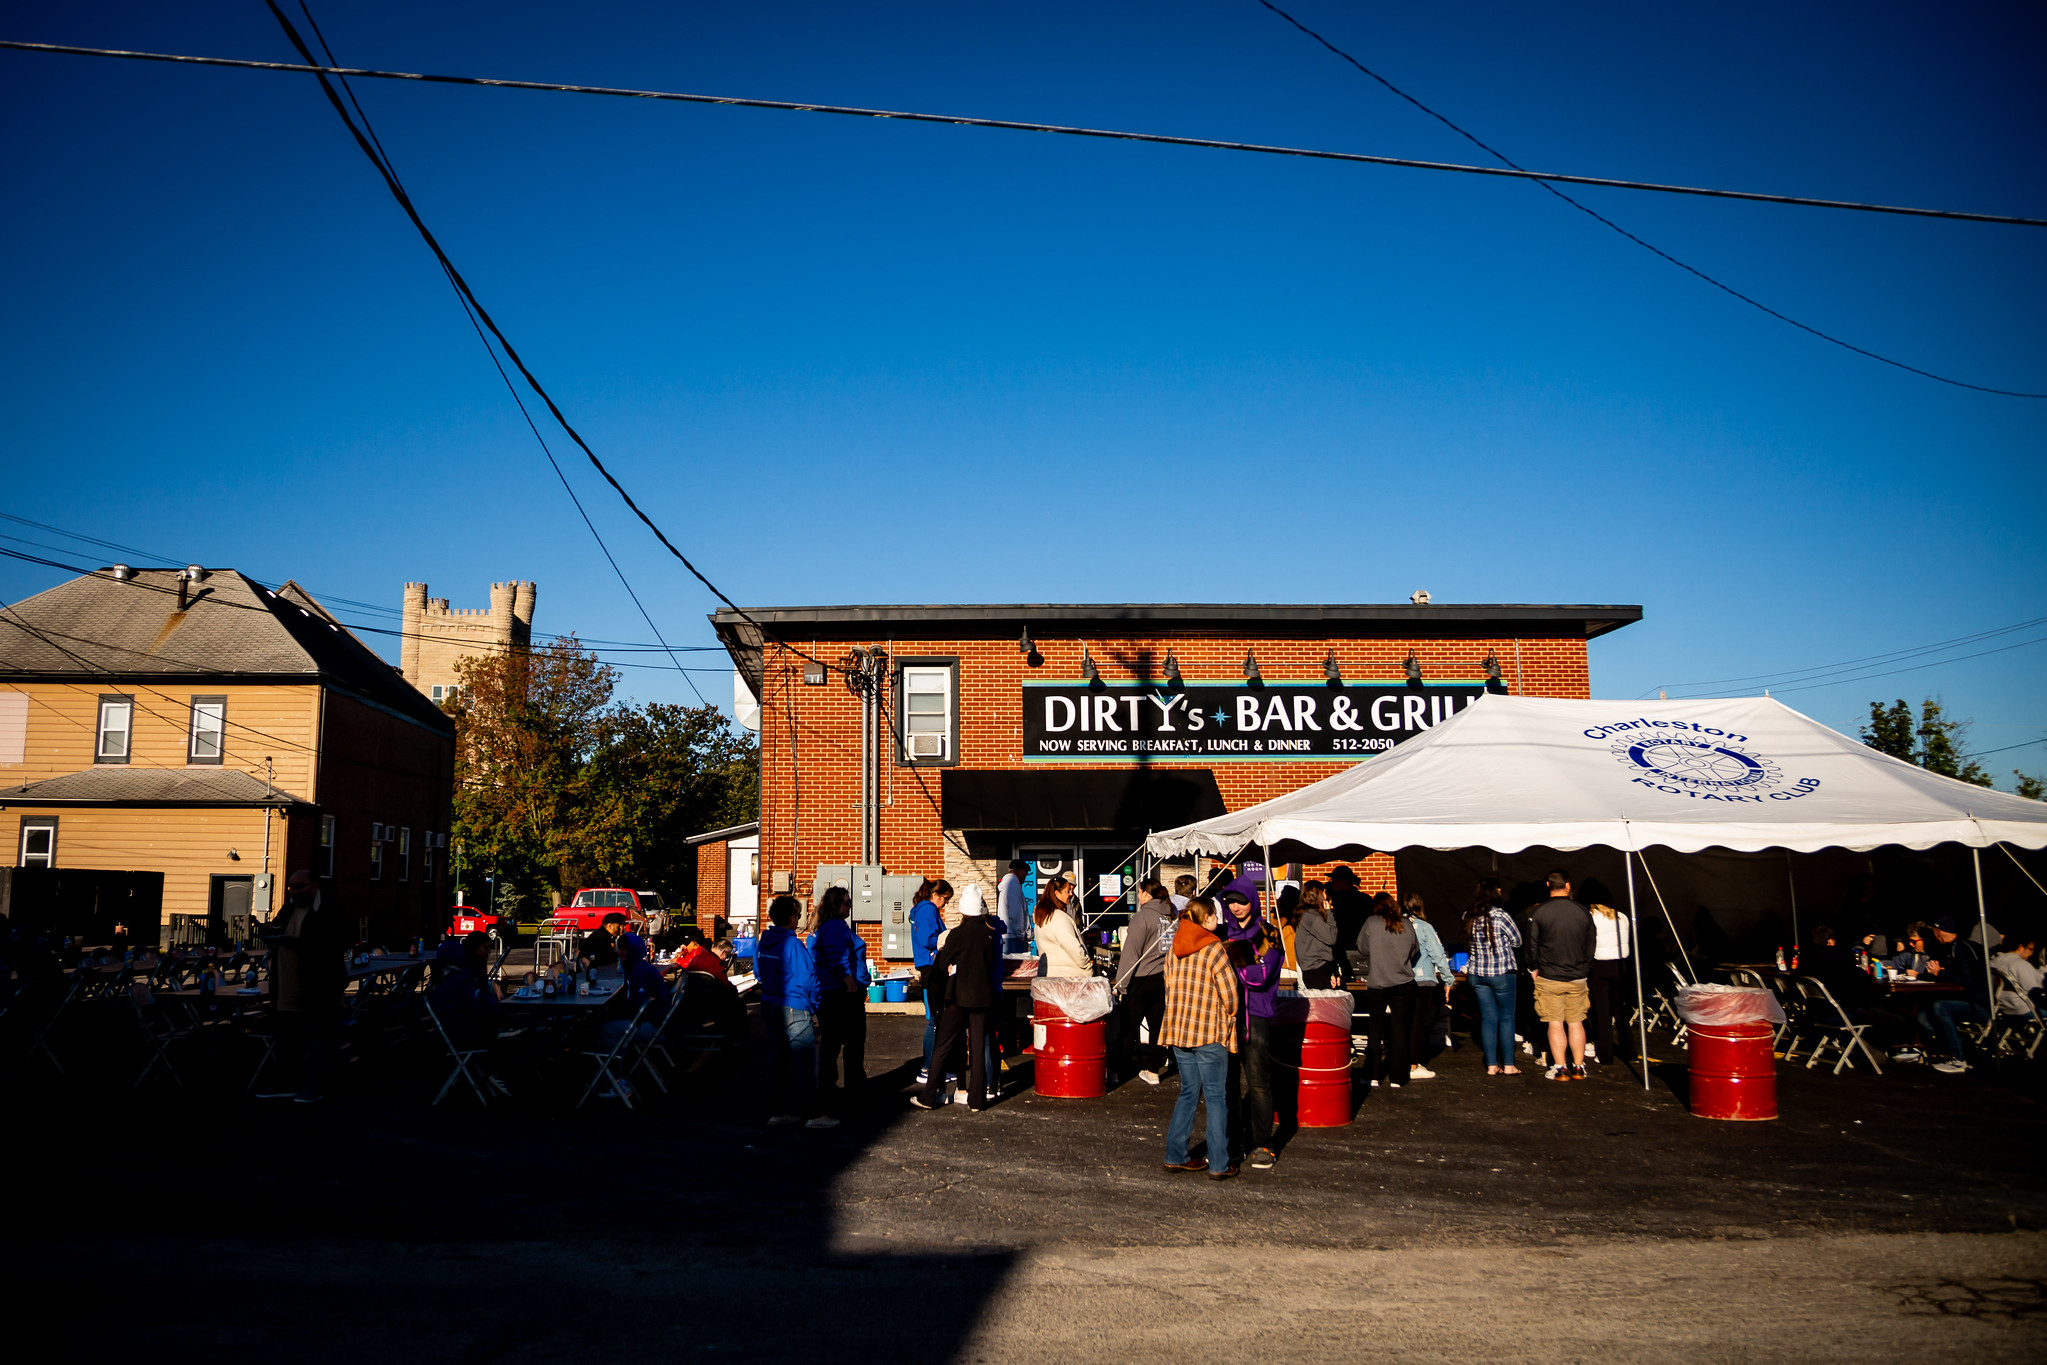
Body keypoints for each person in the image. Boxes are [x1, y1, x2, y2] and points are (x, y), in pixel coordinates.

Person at [1160, 896, 1241, 1180]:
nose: (1218, 920)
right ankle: (1219, 1162)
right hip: (1209, 1031)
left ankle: (1175, 1155)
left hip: (1180, 1029)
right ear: (1206, 918)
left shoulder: (1175, 948)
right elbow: (1230, 994)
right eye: (1215, 916)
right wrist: (1229, 1014)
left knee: (1188, 1092)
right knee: (1216, 1097)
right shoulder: (1214, 948)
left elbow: (1168, 985)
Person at [256, 870, 348, 1103]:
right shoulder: (288, 908)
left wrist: (291, 941)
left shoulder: (328, 909)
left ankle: (316, 1085)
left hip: (318, 985)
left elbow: (331, 944)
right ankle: (286, 1082)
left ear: (314, 885)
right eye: (291, 888)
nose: (294, 891)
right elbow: (278, 928)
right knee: (287, 1038)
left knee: (318, 1037)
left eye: (299, 886)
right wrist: (268, 931)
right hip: (287, 983)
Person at [910, 884, 1003, 1112]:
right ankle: (977, 1100)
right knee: (979, 1047)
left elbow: (942, 964)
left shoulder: (957, 934)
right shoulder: (991, 935)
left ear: (963, 911)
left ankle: (929, 1096)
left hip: (957, 996)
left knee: (943, 1044)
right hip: (982, 997)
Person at [1219, 891, 1284, 1170]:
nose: (1236, 907)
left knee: (1257, 1081)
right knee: (1228, 1082)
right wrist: (1247, 964)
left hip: (1256, 1015)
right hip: (1227, 1016)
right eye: (1230, 902)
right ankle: (1233, 1142)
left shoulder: (1268, 933)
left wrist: (1234, 968)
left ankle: (1261, 1143)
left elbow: (1262, 976)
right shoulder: (1222, 932)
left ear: (1253, 902)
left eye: (1241, 901)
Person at [756, 896, 823, 1127]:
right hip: (794, 1006)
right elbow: (808, 979)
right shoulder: (794, 944)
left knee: (777, 1059)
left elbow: (758, 972)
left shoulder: (763, 942)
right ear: (792, 917)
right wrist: (814, 1003)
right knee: (804, 1062)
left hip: (769, 1003)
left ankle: (777, 1111)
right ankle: (813, 1115)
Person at [1529, 871, 1594, 1082]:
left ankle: (1560, 1068)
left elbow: (1532, 945)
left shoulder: (1539, 913)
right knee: (1576, 1022)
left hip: (1549, 976)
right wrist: (1584, 967)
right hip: (1577, 976)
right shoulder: (1583, 911)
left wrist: (1533, 968)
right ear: (1568, 885)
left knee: (1555, 1023)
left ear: (1548, 885)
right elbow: (1590, 944)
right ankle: (1578, 1066)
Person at [811, 886, 870, 1117]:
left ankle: (831, 1087)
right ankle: (850, 1089)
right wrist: (851, 985)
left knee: (831, 1043)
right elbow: (838, 959)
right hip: (842, 994)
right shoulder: (835, 926)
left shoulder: (823, 926)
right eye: (846, 902)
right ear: (836, 905)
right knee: (852, 1044)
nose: (850, 906)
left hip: (831, 993)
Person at [1113, 879, 1176, 1085]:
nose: (1138, 897)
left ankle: (1116, 1071)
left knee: (1128, 1027)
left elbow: (1131, 953)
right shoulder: (1170, 915)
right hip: (1163, 977)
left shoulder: (1143, 917)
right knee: (1158, 1027)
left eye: (1139, 893)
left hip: (1141, 978)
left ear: (1147, 895)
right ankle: (1153, 1069)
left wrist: (1120, 983)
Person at [1357, 892, 1418, 1090]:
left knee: (1375, 1029)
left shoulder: (1371, 923)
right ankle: (1398, 1077)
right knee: (1399, 1030)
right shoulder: (1406, 924)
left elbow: (1362, 949)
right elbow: (1414, 950)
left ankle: (1372, 1075)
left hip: (1378, 982)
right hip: (1403, 982)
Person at [1463, 878, 1522, 1076]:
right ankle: (1508, 1065)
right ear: (1495, 892)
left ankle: (1490, 1065)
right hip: (1502, 972)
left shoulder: (1468, 916)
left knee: (1488, 1019)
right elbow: (1517, 940)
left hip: (1477, 973)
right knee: (1506, 1018)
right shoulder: (1500, 915)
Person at [1919, 916, 1991, 1073]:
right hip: (1962, 1001)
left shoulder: (1962, 948)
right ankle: (1973, 1051)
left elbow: (1967, 981)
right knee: (1924, 1016)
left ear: (1938, 932)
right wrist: (1932, 973)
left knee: (1939, 1007)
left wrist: (1939, 974)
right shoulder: (1948, 949)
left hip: (1978, 1004)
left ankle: (1957, 1058)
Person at [1404, 893, 1454, 1080]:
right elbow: (1437, 954)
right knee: (1418, 1024)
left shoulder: (1397, 925)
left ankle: (1403, 1060)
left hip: (1401, 980)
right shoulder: (1425, 927)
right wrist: (1448, 978)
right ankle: (1413, 1064)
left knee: (1404, 1023)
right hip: (1423, 979)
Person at [1583, 881, 1632, 1066]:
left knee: (1601, 1012)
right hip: (1620, 965)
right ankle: (1630, 1051)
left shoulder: (1591, 917)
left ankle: (1605, 1054)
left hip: (1600, 965)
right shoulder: (1623, 917)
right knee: (1620, 1010)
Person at [911, 878, 954, 1085]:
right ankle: (929, 1067)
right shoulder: (927, 909)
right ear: (937, 895)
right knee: (935, 1019)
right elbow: (928, 939)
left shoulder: (922, 909)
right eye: (945, 899)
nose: (945, 904)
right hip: (932, 968)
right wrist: (947, 938)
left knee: (936, 1018)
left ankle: (932, 1066)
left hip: (928, 967)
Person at [1035, 878, 1092, 977]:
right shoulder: (1058, 918)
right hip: (1069, 977)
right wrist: (1087, 965)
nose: (1071, 894)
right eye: (1067, 891)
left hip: (1050, 975)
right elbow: (1072, 947)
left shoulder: (1043, 917)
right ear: (1057, 894)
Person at [1326, 866, 1371, 982]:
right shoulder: (1365, 899)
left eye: (1334, 880)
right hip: (1359, 948)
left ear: (1343, 881)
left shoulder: (1340, 901)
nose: (1332, 883)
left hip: (1349, 949)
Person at [1293, 881, 1339, 990]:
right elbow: (1331, 937)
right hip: (1316, 968)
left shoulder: (1306, 914)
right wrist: (1329, 913)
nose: (1326, 896)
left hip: (1314, 966)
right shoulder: (1311, 916)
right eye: (1324, 892)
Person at [1990, 935, 2043, 1019]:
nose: (2031, 954)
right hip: (2022, 1008)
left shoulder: (1993, 962)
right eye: (2030, 949)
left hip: (2001, 1007)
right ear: (2020, 947)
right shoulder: (2019, 964)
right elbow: (2034, 988)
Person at [998, 860, 1030, 952]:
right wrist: (1021, 936)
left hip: (1009, 936)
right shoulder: (1012, 886)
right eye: (1025, 872)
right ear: (1019, 871)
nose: (1025, 876)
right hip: (1013, 938)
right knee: (1016, 966)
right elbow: (1016, 914)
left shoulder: (1009, 885)